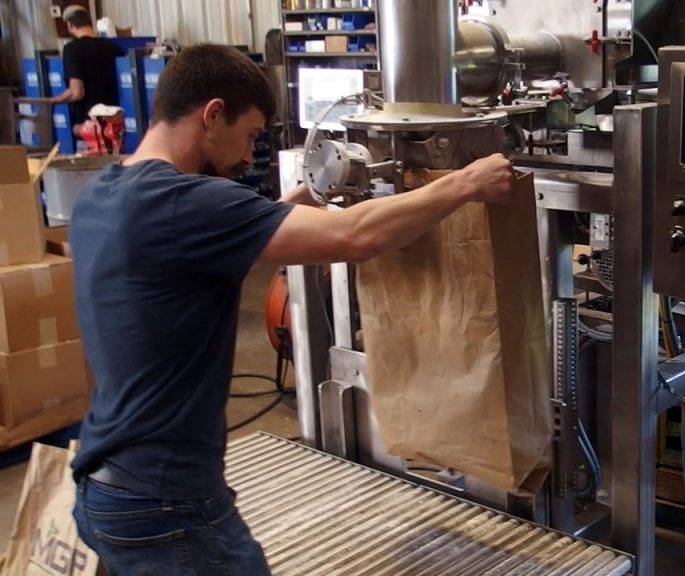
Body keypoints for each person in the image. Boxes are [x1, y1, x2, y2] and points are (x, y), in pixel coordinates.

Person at [69, 44, 515, 575]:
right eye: (251, 135)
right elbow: (355, 237)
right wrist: (467, 182)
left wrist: (307, 194)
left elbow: (202, 245)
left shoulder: (104, 195)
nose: (245, 155)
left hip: (102, 483)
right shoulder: (186, 203)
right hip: (168, 503)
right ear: (212, 115)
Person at [49, 6, 124, 136]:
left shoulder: (72, 49)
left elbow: (77, 92)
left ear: (70, 25)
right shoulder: (114, 48)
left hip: (89, 126)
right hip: (115, 124)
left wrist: (53, 100)